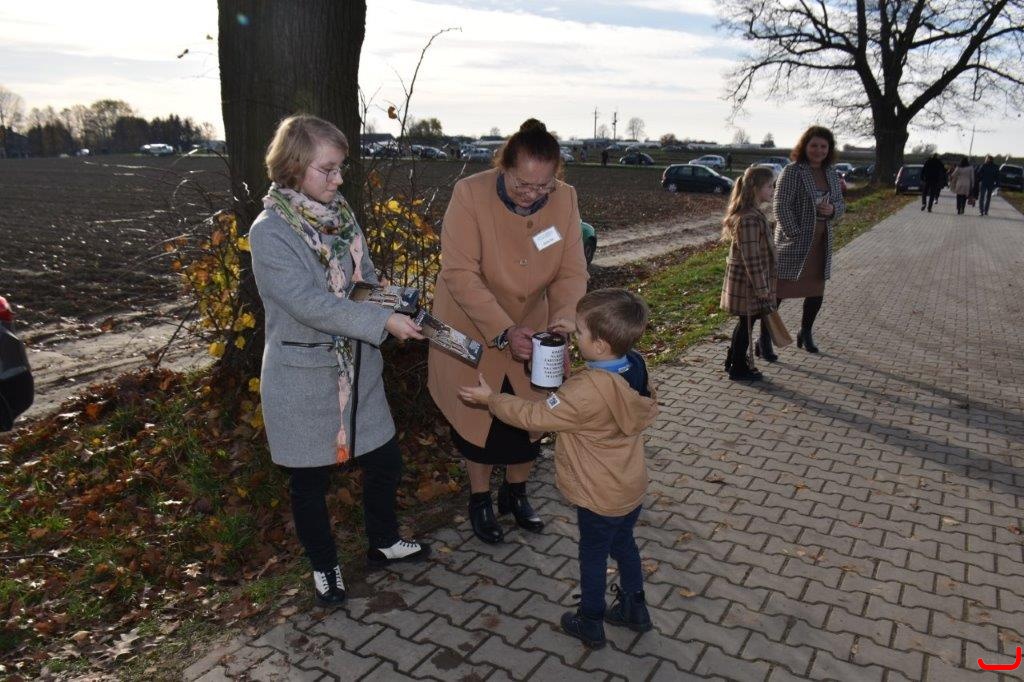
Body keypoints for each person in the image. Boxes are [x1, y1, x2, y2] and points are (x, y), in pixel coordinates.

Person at [249, 114, 430, 608]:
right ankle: (324, 566)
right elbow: (308, 304)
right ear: (294, 167)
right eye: (327, 170)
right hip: (303, 378)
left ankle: (383, 541)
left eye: (340, 168)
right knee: (309, 481)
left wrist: (393, 300)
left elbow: (361, 275)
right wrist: (382, 322)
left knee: (385, 460)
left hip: (358, 371)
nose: (338, 179)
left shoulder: (340, 214)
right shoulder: (270, 232)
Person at [458, 288, 659, 650]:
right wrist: (578, 328)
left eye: (579, 333)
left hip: (598, 493)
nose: (573, 338)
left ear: (599, 344)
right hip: (629, 486)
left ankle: (590, 620)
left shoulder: (585, 391)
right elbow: (602, 375)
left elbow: (534, 415)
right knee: (624, 544)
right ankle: (635, 607)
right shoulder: (636, 364)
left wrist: (492, 400)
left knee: (592, 555)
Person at [428, 118, 588, 545]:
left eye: (544, 186)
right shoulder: (469, 194)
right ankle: (479, 497)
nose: (533, 194)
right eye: (522, 184)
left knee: (532, 415)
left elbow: (572, 271)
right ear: (504, 166)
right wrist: (502, 331)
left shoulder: (566, 199)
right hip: (471, 323)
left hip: (534, 326)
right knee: (477, 418)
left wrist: (562, 324)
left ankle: (516, 493)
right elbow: (458, 271)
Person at [764, 125, 846, 356]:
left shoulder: (831, 173)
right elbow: (780, 206)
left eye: (823, 146)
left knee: (815, 291)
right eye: (814, 145)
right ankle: (765, 338)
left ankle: (806, 332)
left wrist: (832, 210)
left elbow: (841, 204)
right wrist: (794, 233)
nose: (818, 150)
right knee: (778, 292)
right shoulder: (792, 171)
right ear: (805, 146)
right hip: (794, 241)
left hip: (821, 242)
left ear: (829, 149)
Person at [720, 166, 778, 381]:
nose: (773, 190)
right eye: (769, 186)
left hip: (750, 282)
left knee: (746, 323)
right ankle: (738, 367)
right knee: (746, 324)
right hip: (748, 284)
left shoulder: (753, 214)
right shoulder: (749, 219)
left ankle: (733, 361)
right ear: (756, 189)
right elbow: (751, 257)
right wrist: (762, 288)